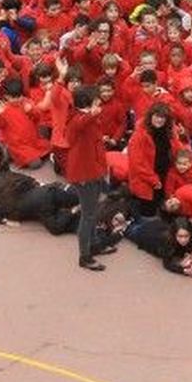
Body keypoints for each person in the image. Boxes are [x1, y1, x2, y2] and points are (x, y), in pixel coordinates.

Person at [63, 85, 113, 270]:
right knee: (88, 215)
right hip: (85, 173)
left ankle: (94, 244)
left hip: (94, 169)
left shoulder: (85, 117)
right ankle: (85, 255)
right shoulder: (78, 118)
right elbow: (80, 123)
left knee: (93, 211)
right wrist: (93, 113)